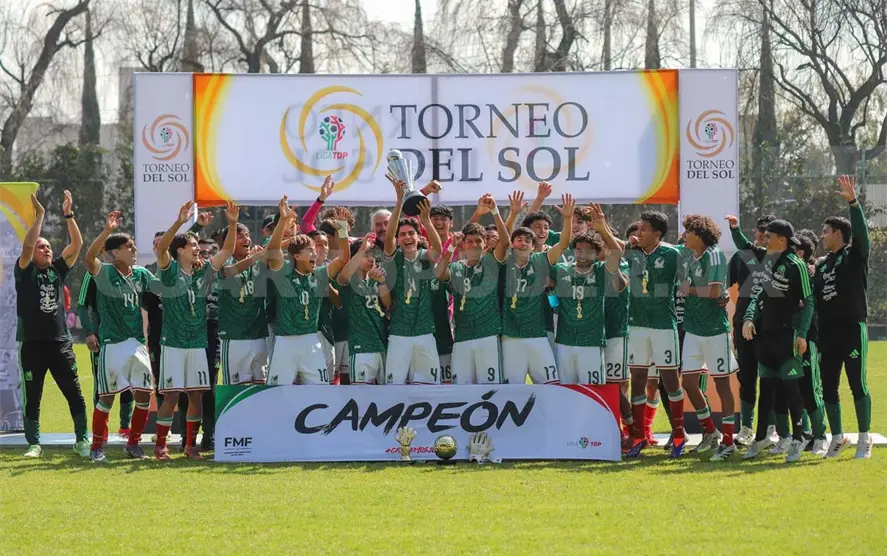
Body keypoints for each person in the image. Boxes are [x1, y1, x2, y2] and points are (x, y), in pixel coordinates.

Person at [151, 201, 238, 460]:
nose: (198, 249)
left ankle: (191, 445)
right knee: (171, 396)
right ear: (180, 250)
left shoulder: (205, 272)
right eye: (193, 245)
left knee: (196, 395)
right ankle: (161, 446)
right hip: (173, 343)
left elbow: (227, 250)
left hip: (198, 343)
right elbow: (162, 247)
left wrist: (233, 223)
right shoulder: (169, 271)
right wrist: (180, 222)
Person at [15, 191, 87, 458]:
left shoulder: (57, 270)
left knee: (74, 392)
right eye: (41, 247)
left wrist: (68, 214)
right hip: (32, 344)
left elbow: (77, 245)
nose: (46, 249)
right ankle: (34, 443)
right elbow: (27, 247)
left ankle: (82, 440)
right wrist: (41, 216)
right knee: (33, 396)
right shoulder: (25, 271)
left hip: (60, 344)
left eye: (48, 247)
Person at [84, 211, 160, 462]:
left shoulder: (141, 274)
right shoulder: (104, 272)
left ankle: (133, 444)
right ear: (115, 252)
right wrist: (107, 231)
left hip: (137, 342)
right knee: (107, 397)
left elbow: (162, 288)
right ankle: (96, 448)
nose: (135, 249)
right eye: (129, 246)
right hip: (112, 343)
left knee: (144, 394)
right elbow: (88, 258)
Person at [740, 219, 813, 462]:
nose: (764, 239)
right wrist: (749, 318)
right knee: (767, 388)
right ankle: (762, 437)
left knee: (792, 389)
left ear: (782, 239)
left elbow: (808, 301)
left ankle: (799, 438)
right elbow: (759, 294)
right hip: (766, 336)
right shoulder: (769, 263)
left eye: (769, 236)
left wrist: (802, 334)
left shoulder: (796, 264)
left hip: (787, 336)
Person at [815, 174, 872, 459]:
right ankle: (837, 438)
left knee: (857, 384)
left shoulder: (854, 255)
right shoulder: (822, 265)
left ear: (838, 233)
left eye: (825, 231)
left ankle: (864, 438)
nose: (822, 236)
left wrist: (853, 204)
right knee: (828, 386)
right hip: (827, 334)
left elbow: (861, 234)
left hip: (851, 330)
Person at [264, 196, 349, 385]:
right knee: (278, 392)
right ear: (296, 256)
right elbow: (273, 250)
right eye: (310, 250)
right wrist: (283, 221)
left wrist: (343, 229)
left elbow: (343, 259)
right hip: (285, 343)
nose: (315, 253)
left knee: (320, 391)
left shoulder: (319, 275)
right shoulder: (283, 273)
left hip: (312, 342)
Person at [677, 215, 738, 461]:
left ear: (700, 235)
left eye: (688, 232)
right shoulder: (690, 256)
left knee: (722, 385)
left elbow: (715, 291)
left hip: (714, 331)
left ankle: (729, 441)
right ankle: (711, 432)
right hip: (693, 329)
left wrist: (689, 290)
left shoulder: (714, 255)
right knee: (689, 383)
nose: (684, 236)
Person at [624, 210, 685, 458]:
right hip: (637, 325)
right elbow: (614, 248)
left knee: (670, 381)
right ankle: (639, 436)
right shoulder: (633, 252)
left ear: (657, 234)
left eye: (644, 229)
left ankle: (679, 434)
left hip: (663, 326)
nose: (638, 232)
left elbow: (691, 276)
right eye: (638, 228)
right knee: (637, 380)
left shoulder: (671, 254)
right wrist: (602, 226)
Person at [434, 194, 510, 384]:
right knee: (461, 388)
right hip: (462, 337)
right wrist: (451, 247)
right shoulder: (456, 267)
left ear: (485, 243)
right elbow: (439, 273)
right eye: (469, 241)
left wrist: (494, 211)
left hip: (488, 335)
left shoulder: (491, 262)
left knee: (491, 388)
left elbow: (506, 242)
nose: (474, 244)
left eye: (478, 241)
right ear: (464, 244)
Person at [500, 194, 574, 385]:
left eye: (527, 241)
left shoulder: (542, 259)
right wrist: (513, 214)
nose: (523, 243)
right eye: (519, 239)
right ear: (512, 244)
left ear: (533, 246)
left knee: (551, 385)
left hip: (540, 331)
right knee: (512, 389)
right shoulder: (503, 261)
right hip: (510, 335)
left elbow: (563, 244)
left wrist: (567, 218)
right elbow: (503, 239)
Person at [550, 205, 626, 385]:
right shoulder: (561, 270)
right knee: (566, 391)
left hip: (591, 342)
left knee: (593, 390)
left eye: (588, 250)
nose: (582, 254)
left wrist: (602, 229)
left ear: (596, 253)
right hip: (565, 342)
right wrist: (553, 302)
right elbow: (548, 290)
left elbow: (617, 252)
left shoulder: (601, 271)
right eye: (579, 249)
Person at [382, 175, 443, 384]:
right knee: (395, 388)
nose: (407, 237)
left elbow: (438, 249)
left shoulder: (426, 257)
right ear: (398, 240)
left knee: (428, 388)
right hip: (399, 333)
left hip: (425, 332)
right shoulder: (394, 258)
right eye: (403, 235)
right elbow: (388, 236)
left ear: (418, 237)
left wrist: (426, 220)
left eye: (411, 233)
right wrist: (399, 201)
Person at [729, 214, 778, 446]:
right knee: (747, 378)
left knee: (770, 377)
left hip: (769, 326)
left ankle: (770, 428)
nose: (763, 234)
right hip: (743, 326)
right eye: (761, 230)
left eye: (769, 231)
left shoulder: (780, 259)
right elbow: (724, 283)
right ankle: (746, 428)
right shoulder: (743, 256)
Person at [78, 251, 134, 441]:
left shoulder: (134, 274)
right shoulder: (94, 274)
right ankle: (101, 431)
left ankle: (125, 427)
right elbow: (82, 305)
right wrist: (89, 332)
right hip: (102, 338)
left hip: (128, 338)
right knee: (102, 384)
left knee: (129, 382)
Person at [336, 233, 390, 384]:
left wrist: (382, 282)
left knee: (387, 395)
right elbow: (343, 276)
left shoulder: (376, 280)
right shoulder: (349, 282)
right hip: (361, 348)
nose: (371, 259)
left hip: (382, 346)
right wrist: (362, 248)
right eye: (366, 255)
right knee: (360, 394)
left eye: (373, 255)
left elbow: (388, 304)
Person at [794, 230, 829, 456]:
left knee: (811, 387)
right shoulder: (789, 270)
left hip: (810, 337)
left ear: (800, 252)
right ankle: (804, 434)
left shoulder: (813, 272)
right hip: (790, 336)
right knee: (796, 389)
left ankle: (820, 436)